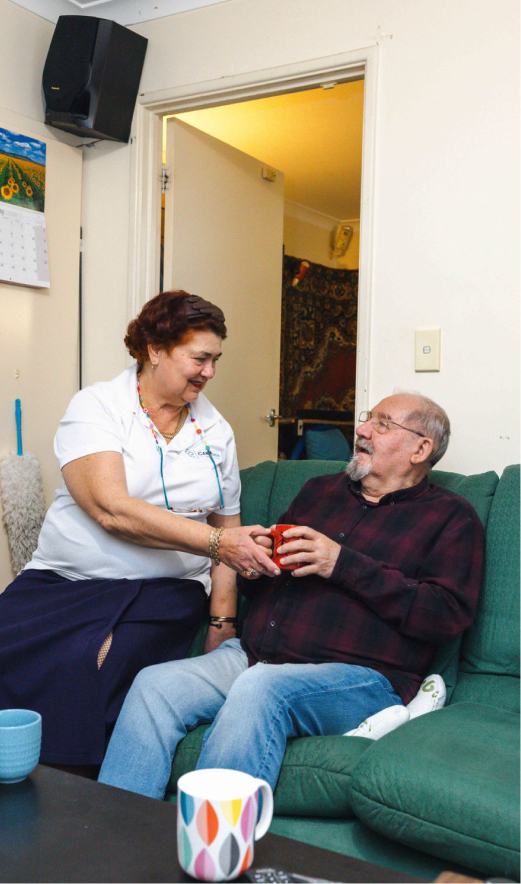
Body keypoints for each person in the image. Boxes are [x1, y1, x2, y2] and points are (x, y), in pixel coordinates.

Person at [98, 392, 485, 798]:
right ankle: (119, 840)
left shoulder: (451, 518)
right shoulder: (320, 491)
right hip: (254, 656)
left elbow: (446, 615)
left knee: (262, 687)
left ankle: (216, 849)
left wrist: (342, 564)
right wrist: (253, 563)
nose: (362, 430)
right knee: (154, 684)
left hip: (360, 678)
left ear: (420, 448)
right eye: (368, 419)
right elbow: (260, 581)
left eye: (383, 424)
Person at [0, 291, 278, 769]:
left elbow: (227, 528)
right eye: (199, 358)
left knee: (97, 658)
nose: (209, 372)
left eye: (215, 360)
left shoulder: (218, 432)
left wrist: (222, 622)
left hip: (165, 589)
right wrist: (219, 543)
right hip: (64, 579)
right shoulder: (97, 406)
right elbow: (112, 509)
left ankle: (64, 791)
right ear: (154, 349)